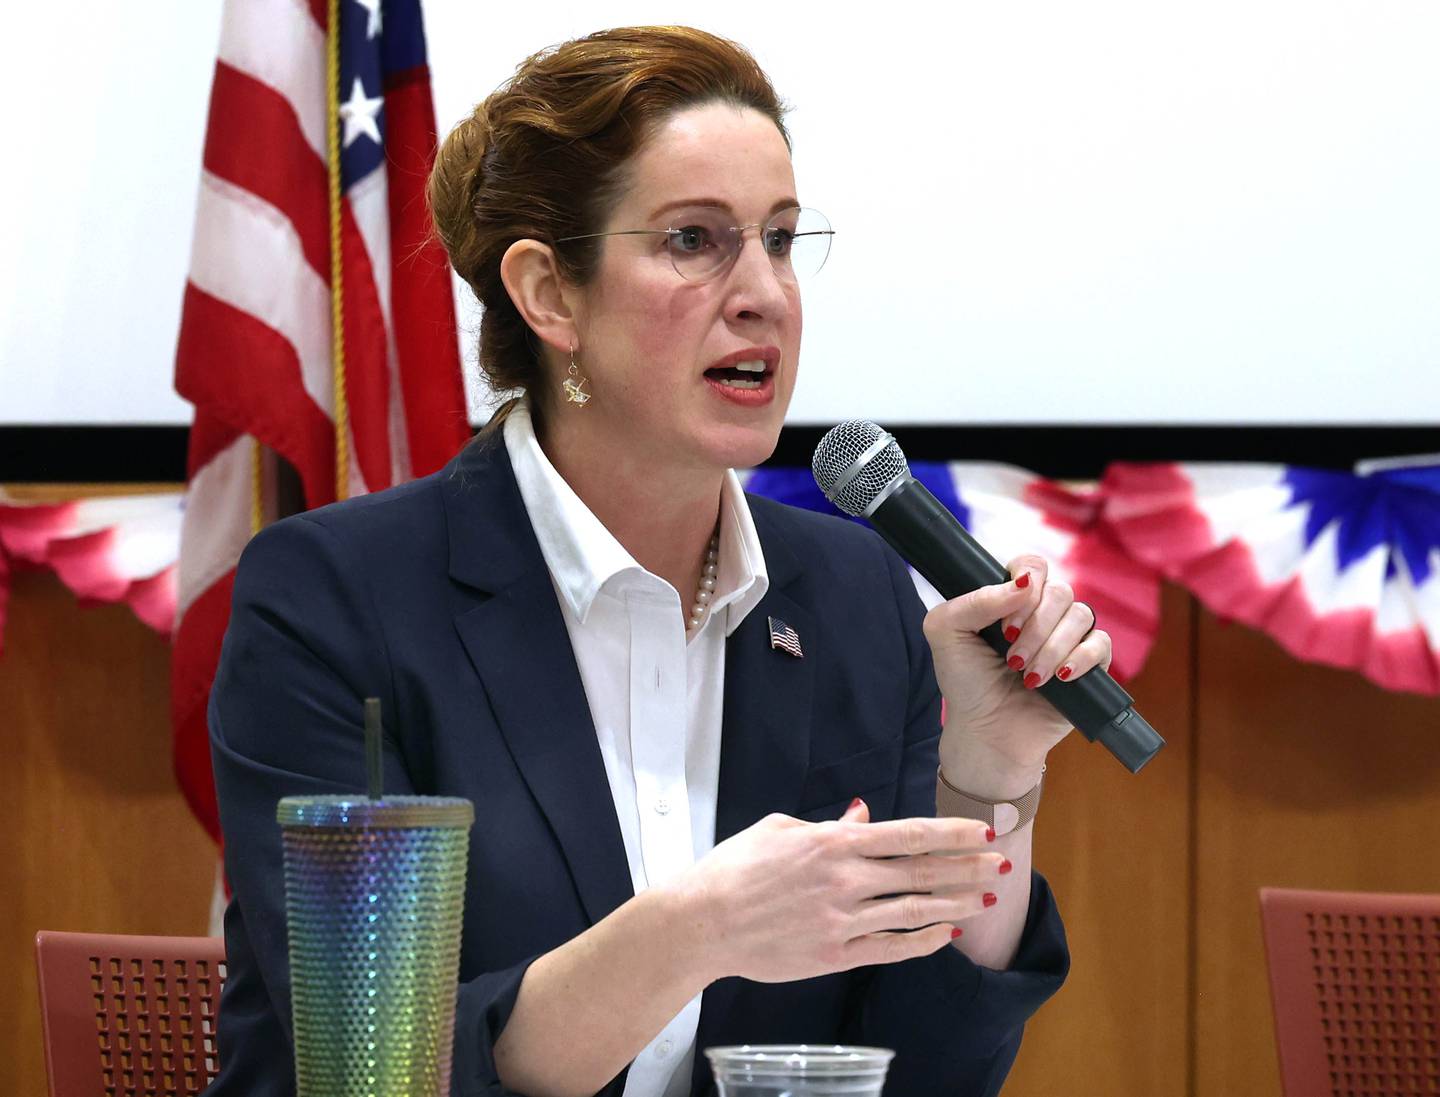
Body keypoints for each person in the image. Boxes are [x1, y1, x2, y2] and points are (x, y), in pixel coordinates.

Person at [207, 25, 1109, 1097]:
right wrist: (697, 926)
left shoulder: (853, 596)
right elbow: (376, 1067)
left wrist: (989, 778)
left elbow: (925, 1066)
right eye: (694, 240)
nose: (765, 293)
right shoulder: (339, 601)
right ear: (549, 295)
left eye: (779, 238)